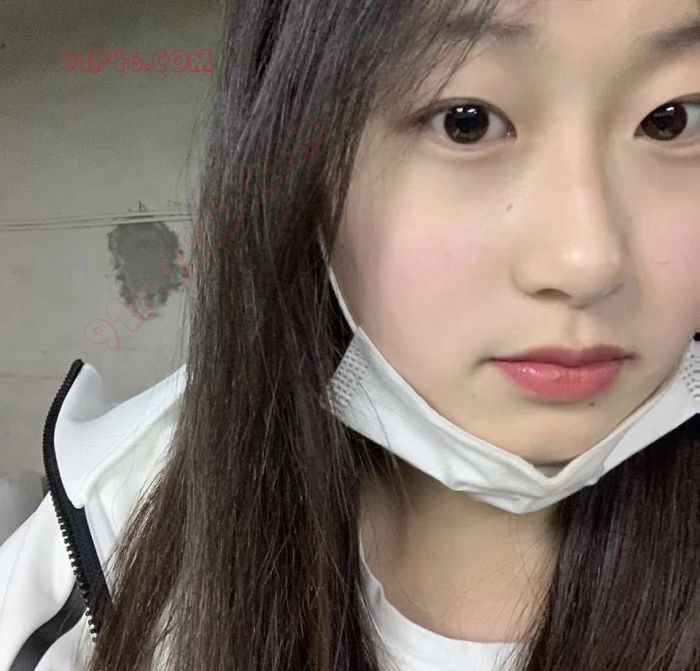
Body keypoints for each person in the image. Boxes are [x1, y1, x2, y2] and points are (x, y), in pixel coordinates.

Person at [1, 0, 699, 669]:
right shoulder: (115, 520)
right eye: (466, 122)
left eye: (671, 121)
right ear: (299, 168)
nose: (586, 261)